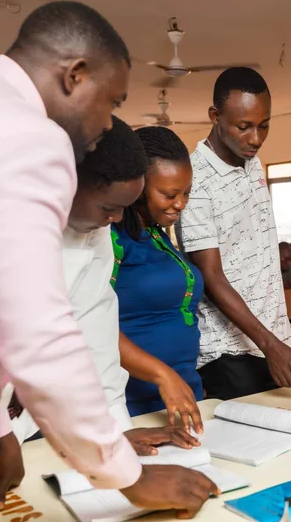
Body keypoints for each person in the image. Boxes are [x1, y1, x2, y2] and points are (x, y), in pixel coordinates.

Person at [0, 1, 215, 521]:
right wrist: (129, 479)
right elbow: (36, 330)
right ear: (75, 75)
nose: (106, 124)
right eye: (111, 102)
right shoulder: (30, 136)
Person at [7, 116, 201, 453]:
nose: (113, 220)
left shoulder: (94, 234)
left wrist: (118, 434)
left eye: (122, 208)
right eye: (108, 207)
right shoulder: (6, 230)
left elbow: (98, 340)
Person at [177, 67, 291, 400]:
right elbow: (212, 275)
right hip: (229, 354)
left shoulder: (251, 161)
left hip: (271, 339)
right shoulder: (196, 180)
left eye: (264, 125)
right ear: (215, 116)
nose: (256, 138)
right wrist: (269, 344)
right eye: (244, 127)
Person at [112, 126, 205, 420]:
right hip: (135, 400)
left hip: (184, 391)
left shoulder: (155, 231)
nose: (180, 203)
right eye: (168, 194)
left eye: (186, 192)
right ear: (137, 184)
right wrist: (162, 374)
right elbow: (91, 322)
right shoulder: (112, 237)